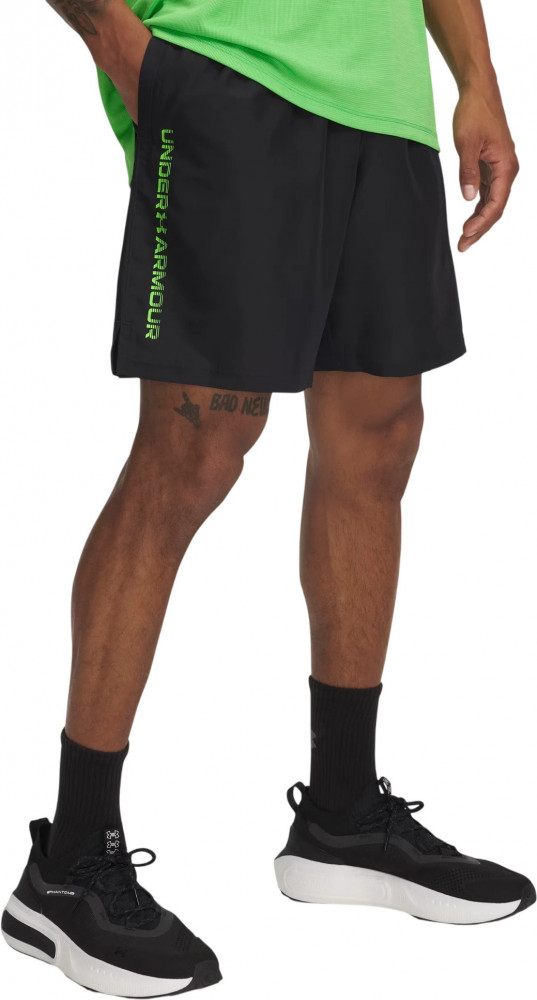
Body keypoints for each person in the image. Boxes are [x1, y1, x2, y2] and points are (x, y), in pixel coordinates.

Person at [2, 0, 534, 995]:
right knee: (192, 453)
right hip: (232, 76)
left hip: (385, 104)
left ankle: (342, 816)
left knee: (377, 438)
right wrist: (124, 49)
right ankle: (69, 865)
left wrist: (478, 81)